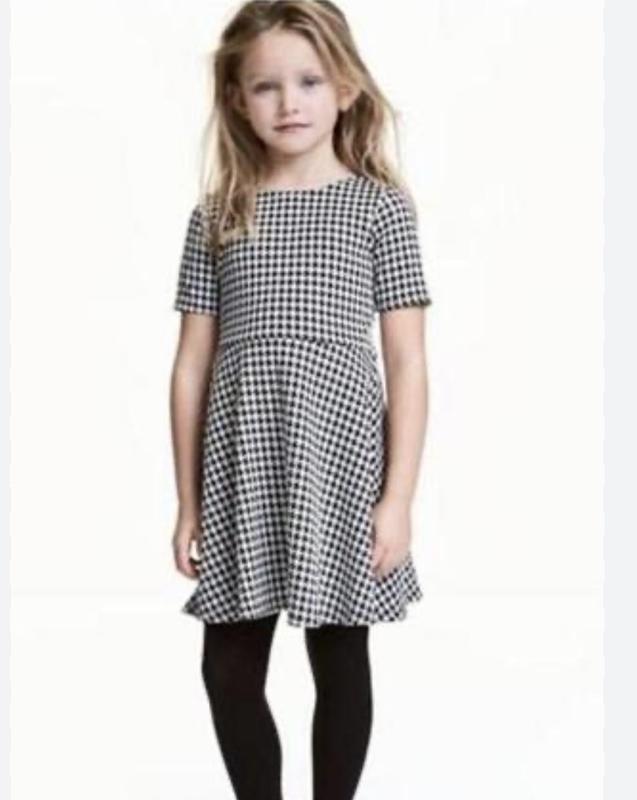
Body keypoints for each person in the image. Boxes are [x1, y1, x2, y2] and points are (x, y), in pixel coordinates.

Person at [169, 2, 433, 798]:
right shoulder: (218, 213)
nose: (289, 102)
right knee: (228, 666)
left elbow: (407, 362)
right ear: (236, 99)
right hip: (243, 465)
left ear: (345, 88)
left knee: (339, 654)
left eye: (310, 81)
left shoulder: (379, 207)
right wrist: (188, 502)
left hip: (341, 462)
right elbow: (190, 366)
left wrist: (397, 500)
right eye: (266, 86)